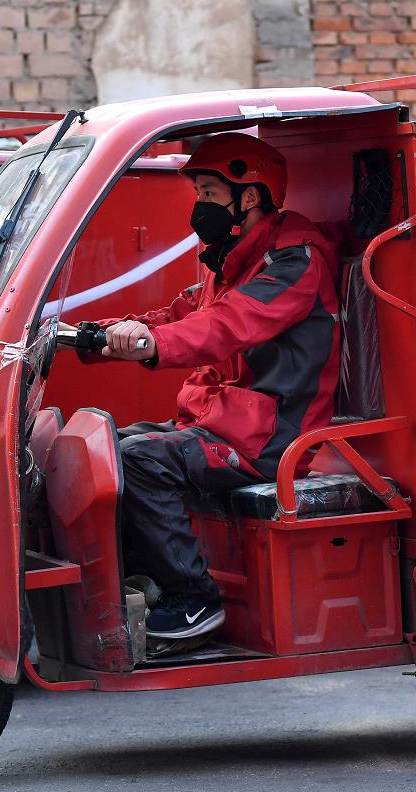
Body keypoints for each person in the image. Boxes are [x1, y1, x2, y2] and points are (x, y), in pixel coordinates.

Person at [71, 133, 341, 640]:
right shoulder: (234, 259)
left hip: (273, 438)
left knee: (141, 460)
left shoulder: (294, 263)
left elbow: (226, 326)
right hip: (228, 422)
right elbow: (183, 312)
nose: (200, 208)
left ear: (251, 197)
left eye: (210, 195)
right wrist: (94, 335)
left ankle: (195, 601)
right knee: (106, 448)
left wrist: (151, 343)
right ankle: (138, 581)